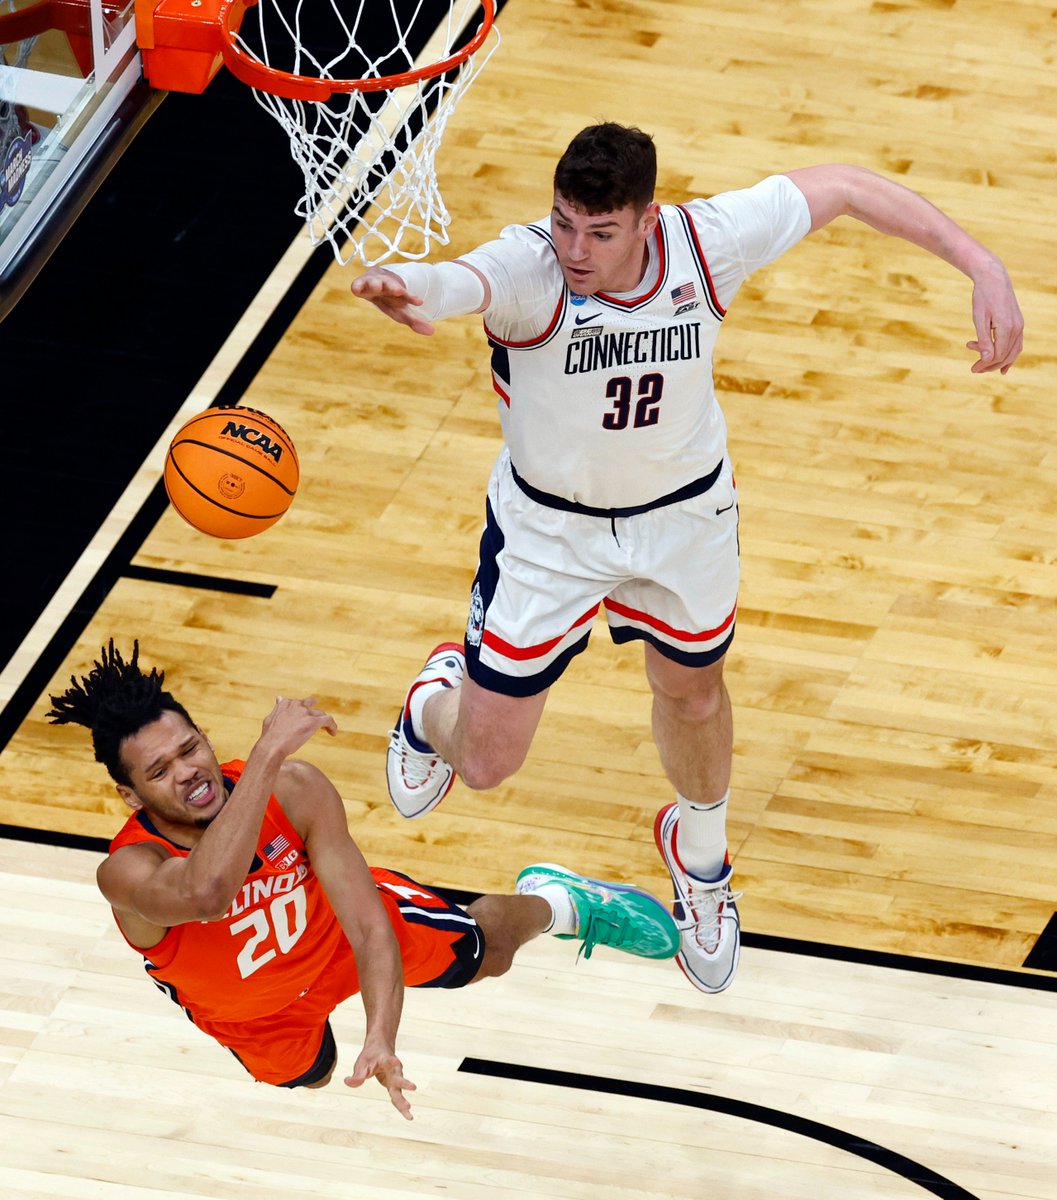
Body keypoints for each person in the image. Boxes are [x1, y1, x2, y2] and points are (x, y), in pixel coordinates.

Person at [349, 122, 1024, 998]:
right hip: (552, 536)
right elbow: (460, 278)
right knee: (484, 765)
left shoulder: (704, 244)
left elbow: (848, 185)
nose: (576, 249)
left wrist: (981, 263)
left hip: (683, 518)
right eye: (563, 224)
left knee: (693, 689)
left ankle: (699, 858)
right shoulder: (531, 271)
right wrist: (407, 286)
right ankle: (434, 699)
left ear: (646, 221)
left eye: (599, 232)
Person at [46, 641, 679, 1118]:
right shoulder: (129, 871)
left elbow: (371, 930)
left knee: (487, 956)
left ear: (206, 738)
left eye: (190, 748)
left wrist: (381, 1034)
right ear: (131, 797)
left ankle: (562, 905)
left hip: (338, 942)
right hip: (252, 1015)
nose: (187, 771)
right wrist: (267, 751)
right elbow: (206, 895)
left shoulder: (293, 790)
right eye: (160, 771)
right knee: (313, 1077)